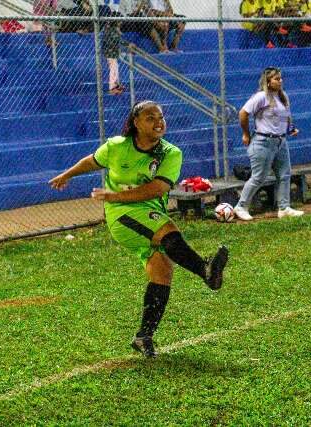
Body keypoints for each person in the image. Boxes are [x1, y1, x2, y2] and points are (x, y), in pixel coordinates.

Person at [49, 101, 230, 358]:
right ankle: (205, 269)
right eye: (150, 118)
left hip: (143, 209)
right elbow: (92, 161)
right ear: (135, 122)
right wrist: (66, 175)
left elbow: (158, 188)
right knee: (167, 229)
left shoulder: (171, 153)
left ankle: (143, 336)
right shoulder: (116, 146)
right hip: (122, 214)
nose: (158, 122)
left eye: (161, 117)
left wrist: (117, 195)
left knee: (163, 270)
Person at [233, 67, 305, 221]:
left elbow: (284, 117)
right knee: (259, 177)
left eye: (280, 78)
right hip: (263, 141)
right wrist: (246, 133)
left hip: (280, 141)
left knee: (285, 174)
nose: (280, 81)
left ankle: (284, 208)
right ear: (268, 81)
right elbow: (243, 114)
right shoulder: (261, 97)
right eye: (276, 79)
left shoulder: (282, 96)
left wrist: (290, 129)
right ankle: (241, 206)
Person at [102, 16, 126, 95]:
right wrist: (127, 44)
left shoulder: (113, 30)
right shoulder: (112, 31)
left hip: (112, 53)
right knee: (113, 69)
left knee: (115, 68)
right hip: (110, 53)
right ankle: (112, 87)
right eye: (119, 21)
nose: (121, 23)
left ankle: (116, 85)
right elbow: (117, 40)